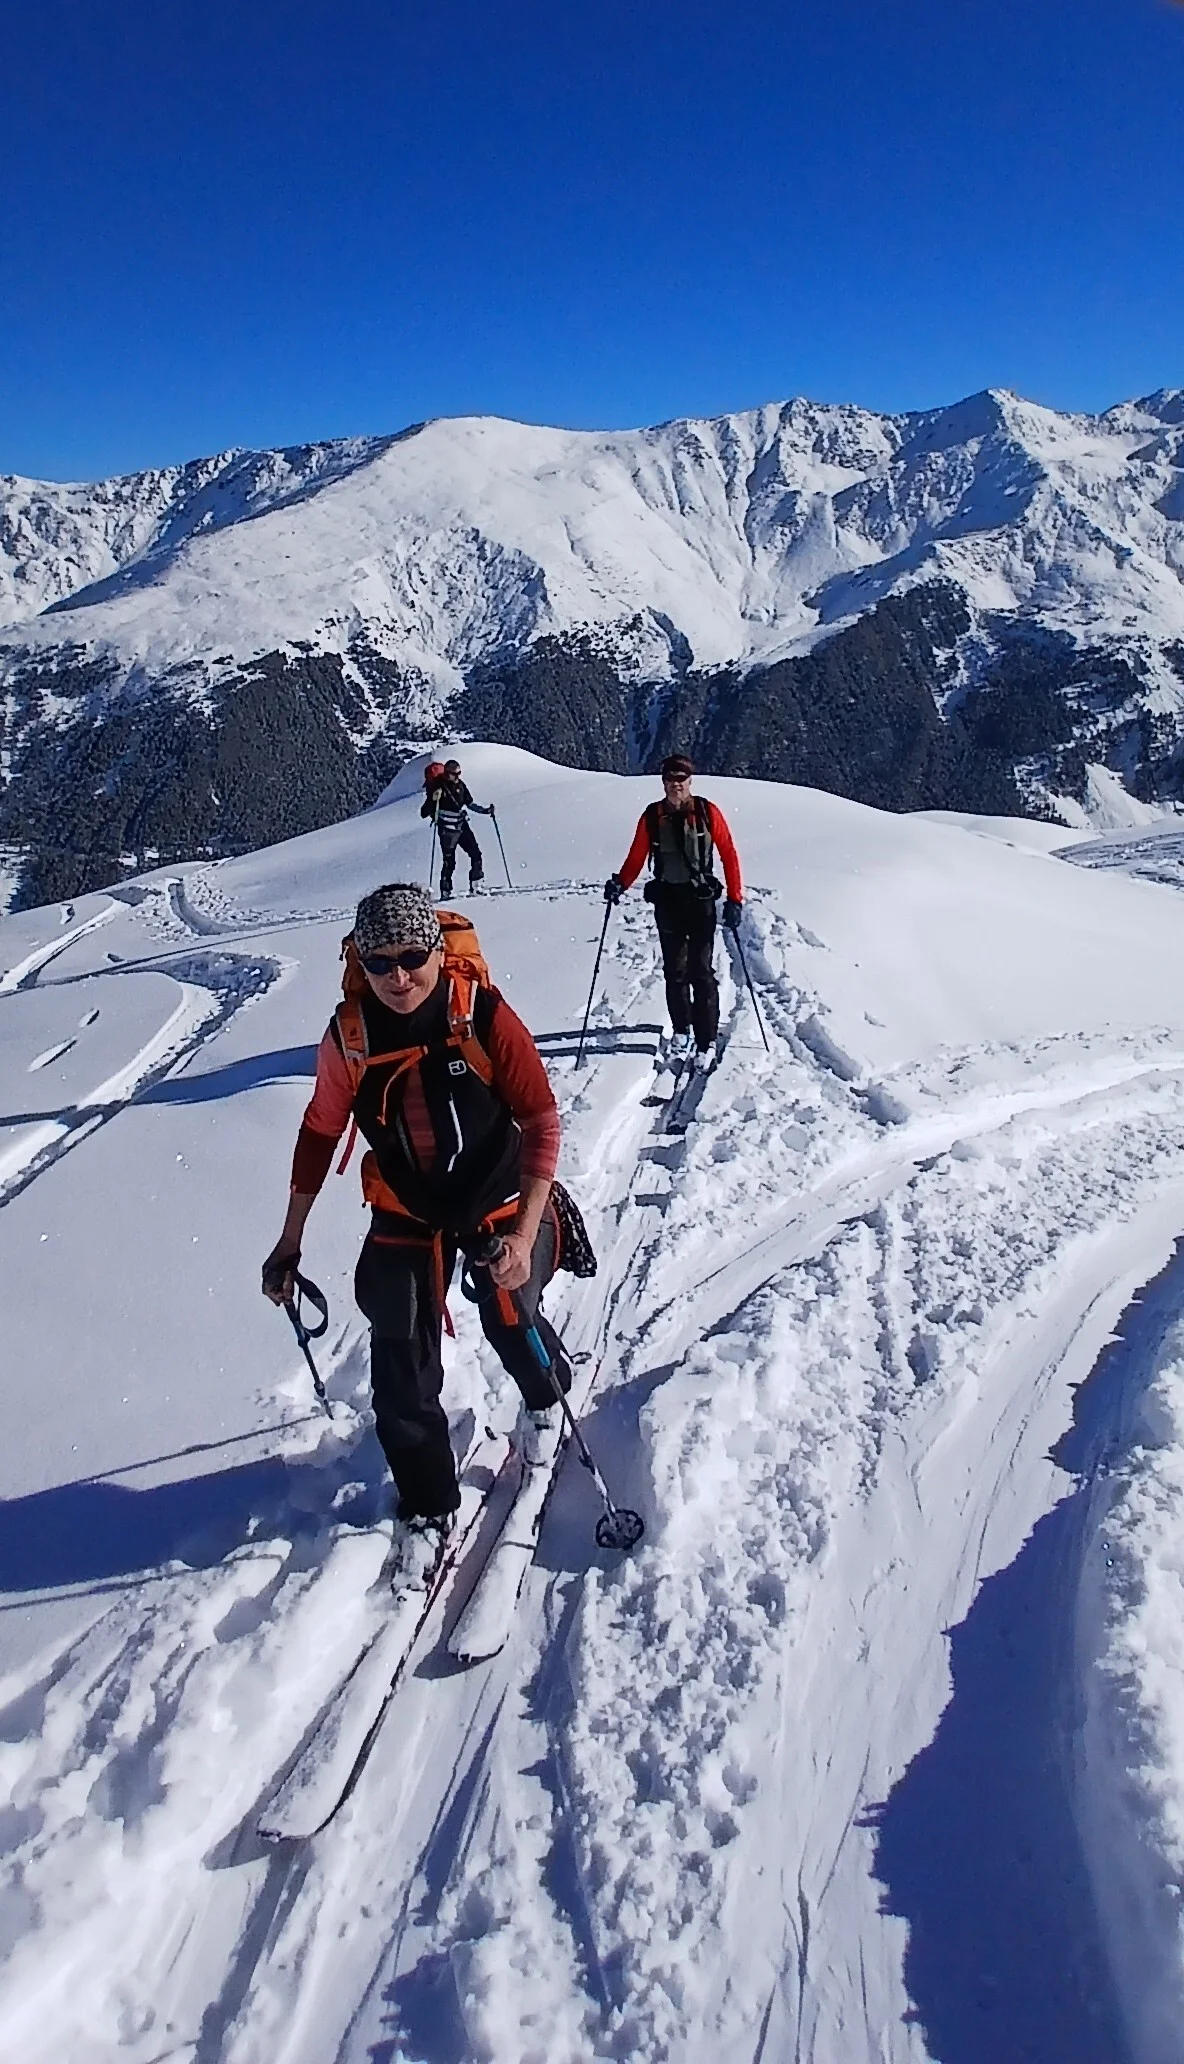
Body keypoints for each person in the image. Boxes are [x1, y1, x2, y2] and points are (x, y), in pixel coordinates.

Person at [261, 881, 578, 1589]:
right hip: (409, 1203)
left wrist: (526, 1235)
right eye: (379, 962)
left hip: (496, 1195)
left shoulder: (483, 1015)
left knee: (508, 1313)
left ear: (438, 951)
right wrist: (290, 1239)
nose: (398, 977)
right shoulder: (350, 1037)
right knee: (399, 1354)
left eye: (412, 956)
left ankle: (547, 1396)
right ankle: (429, 1504)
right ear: (359, 962)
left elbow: (541, 1120)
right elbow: (319, 1133)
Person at [604, 753, 743, 1068]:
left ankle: (706, 1040)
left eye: (681, 780)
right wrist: (620, 883)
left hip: (701, 901)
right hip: (668, 901)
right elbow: (636, 856)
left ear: (690, 782)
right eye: (670, 779)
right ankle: (682, 1032)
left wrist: (736, 899)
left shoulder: (708, 812)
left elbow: (728, 853)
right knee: (674, 971)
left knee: (701, 971)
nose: (676, 785)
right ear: (663, 782)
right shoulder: (652, 817)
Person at [421, 758, 495, 896]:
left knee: (475, 854)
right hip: (448, 829)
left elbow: (469, 803)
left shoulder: (460, 785)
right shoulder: (438, 788)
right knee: (450, 861)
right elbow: (423, 813)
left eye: (459, 773)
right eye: (454, 774)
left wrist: (485, 811)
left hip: (458, 826)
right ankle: (447, 891)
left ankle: (473, 885)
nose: (457, 777)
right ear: (447, 773)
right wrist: (433, 799)